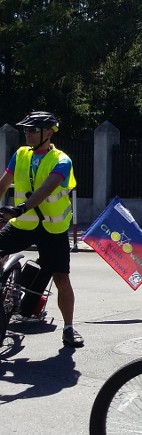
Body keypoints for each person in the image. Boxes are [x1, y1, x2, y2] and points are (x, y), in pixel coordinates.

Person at [0, 111, 82, 347]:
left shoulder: (61, 160)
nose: (28, 134)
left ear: (49, 132)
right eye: (26, 130)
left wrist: (19, 208)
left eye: (33, 130)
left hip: (51, 228)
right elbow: (4, 182)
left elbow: (47, 188)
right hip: (23, 225)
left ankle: (69, 328)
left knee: (61, 278)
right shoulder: (20, 155)